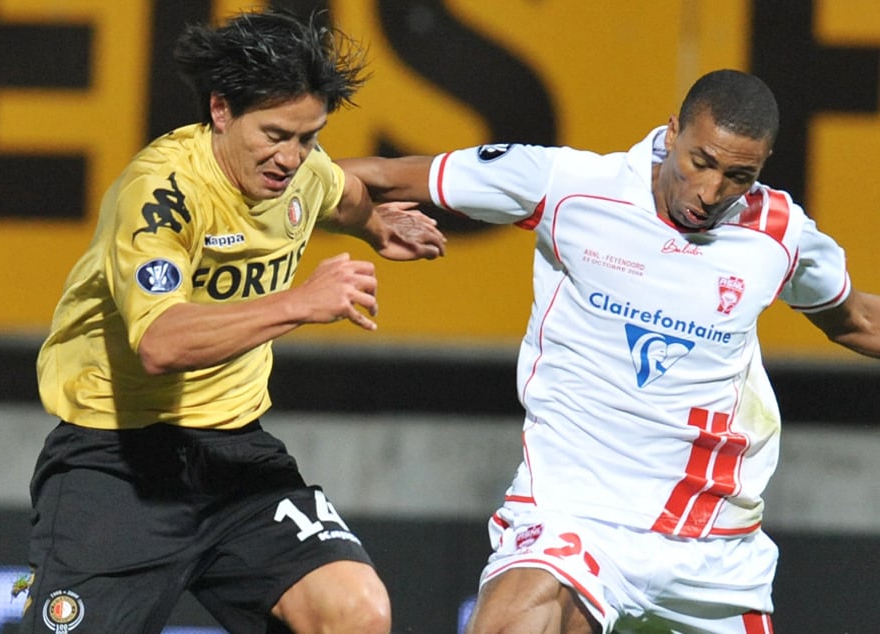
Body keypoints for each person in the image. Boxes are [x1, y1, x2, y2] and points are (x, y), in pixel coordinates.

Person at [340, 69, 880, 633]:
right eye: (701, 162)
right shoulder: (569, 185)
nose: (711, 191)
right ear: (672, 134)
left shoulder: (779, 232)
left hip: (712, 547)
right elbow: (367, 177)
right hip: (572, 513)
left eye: (738, 176)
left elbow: (856, 320)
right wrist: (356, 222)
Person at [16, 8, 445, 634]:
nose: (290, 157)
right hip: (118, 460)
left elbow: (341, 190)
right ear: (221, 110)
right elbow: (160, 344)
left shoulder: (302, 173)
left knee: (356, 610)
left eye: (308, 137)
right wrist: (298, 302)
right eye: (274, 134)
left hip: (236, 458)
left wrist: (379, 225)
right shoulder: (160, 194)